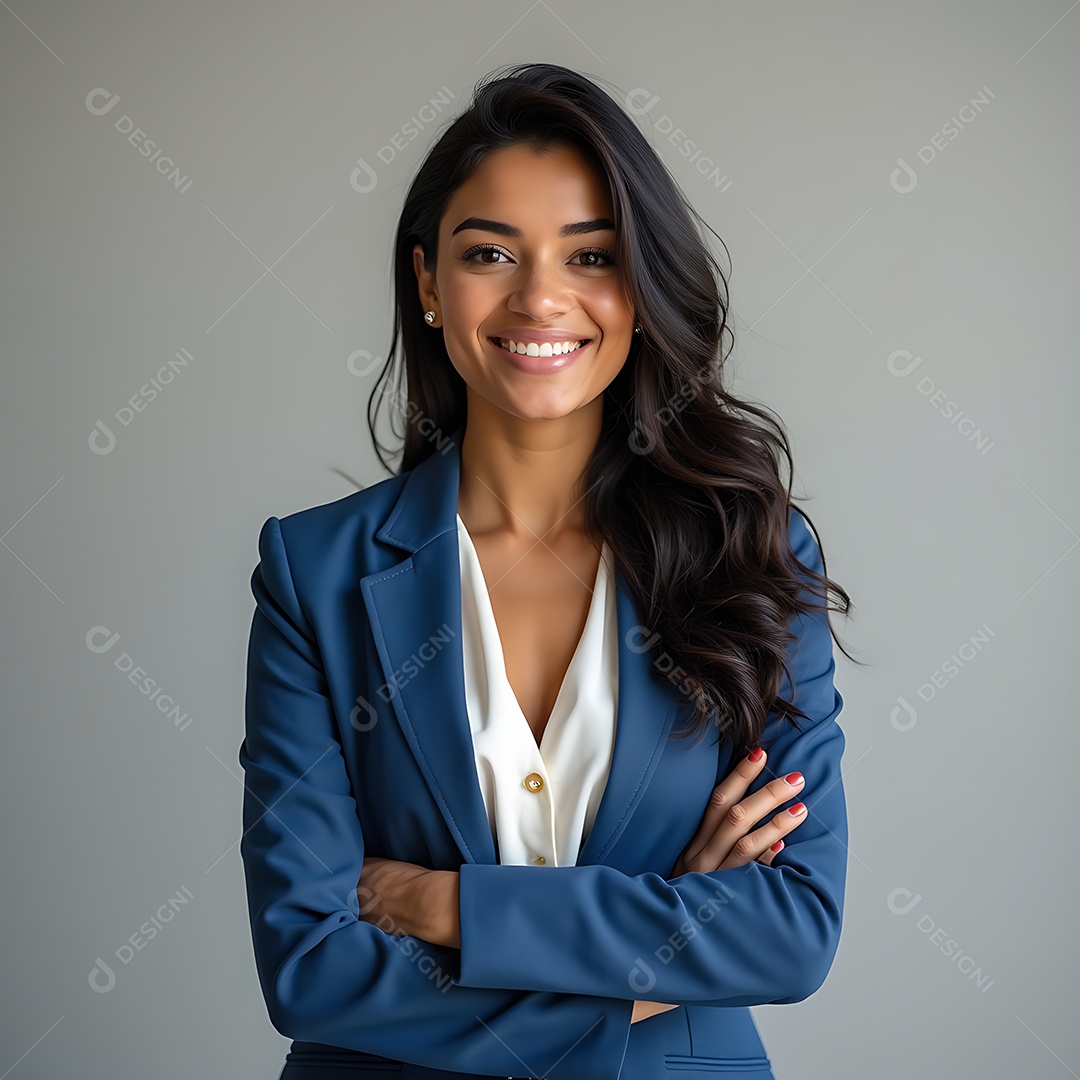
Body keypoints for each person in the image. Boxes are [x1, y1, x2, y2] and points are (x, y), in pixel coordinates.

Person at [239, 61, 856, 1080]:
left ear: (642, 287)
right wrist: (658, 950)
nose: (540, 298)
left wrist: (444, 904)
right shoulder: (316, 572)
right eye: (491, 252)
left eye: (592, 255)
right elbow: (310, 969)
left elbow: (789, 931)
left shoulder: (752, 554)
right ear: (430, 282)